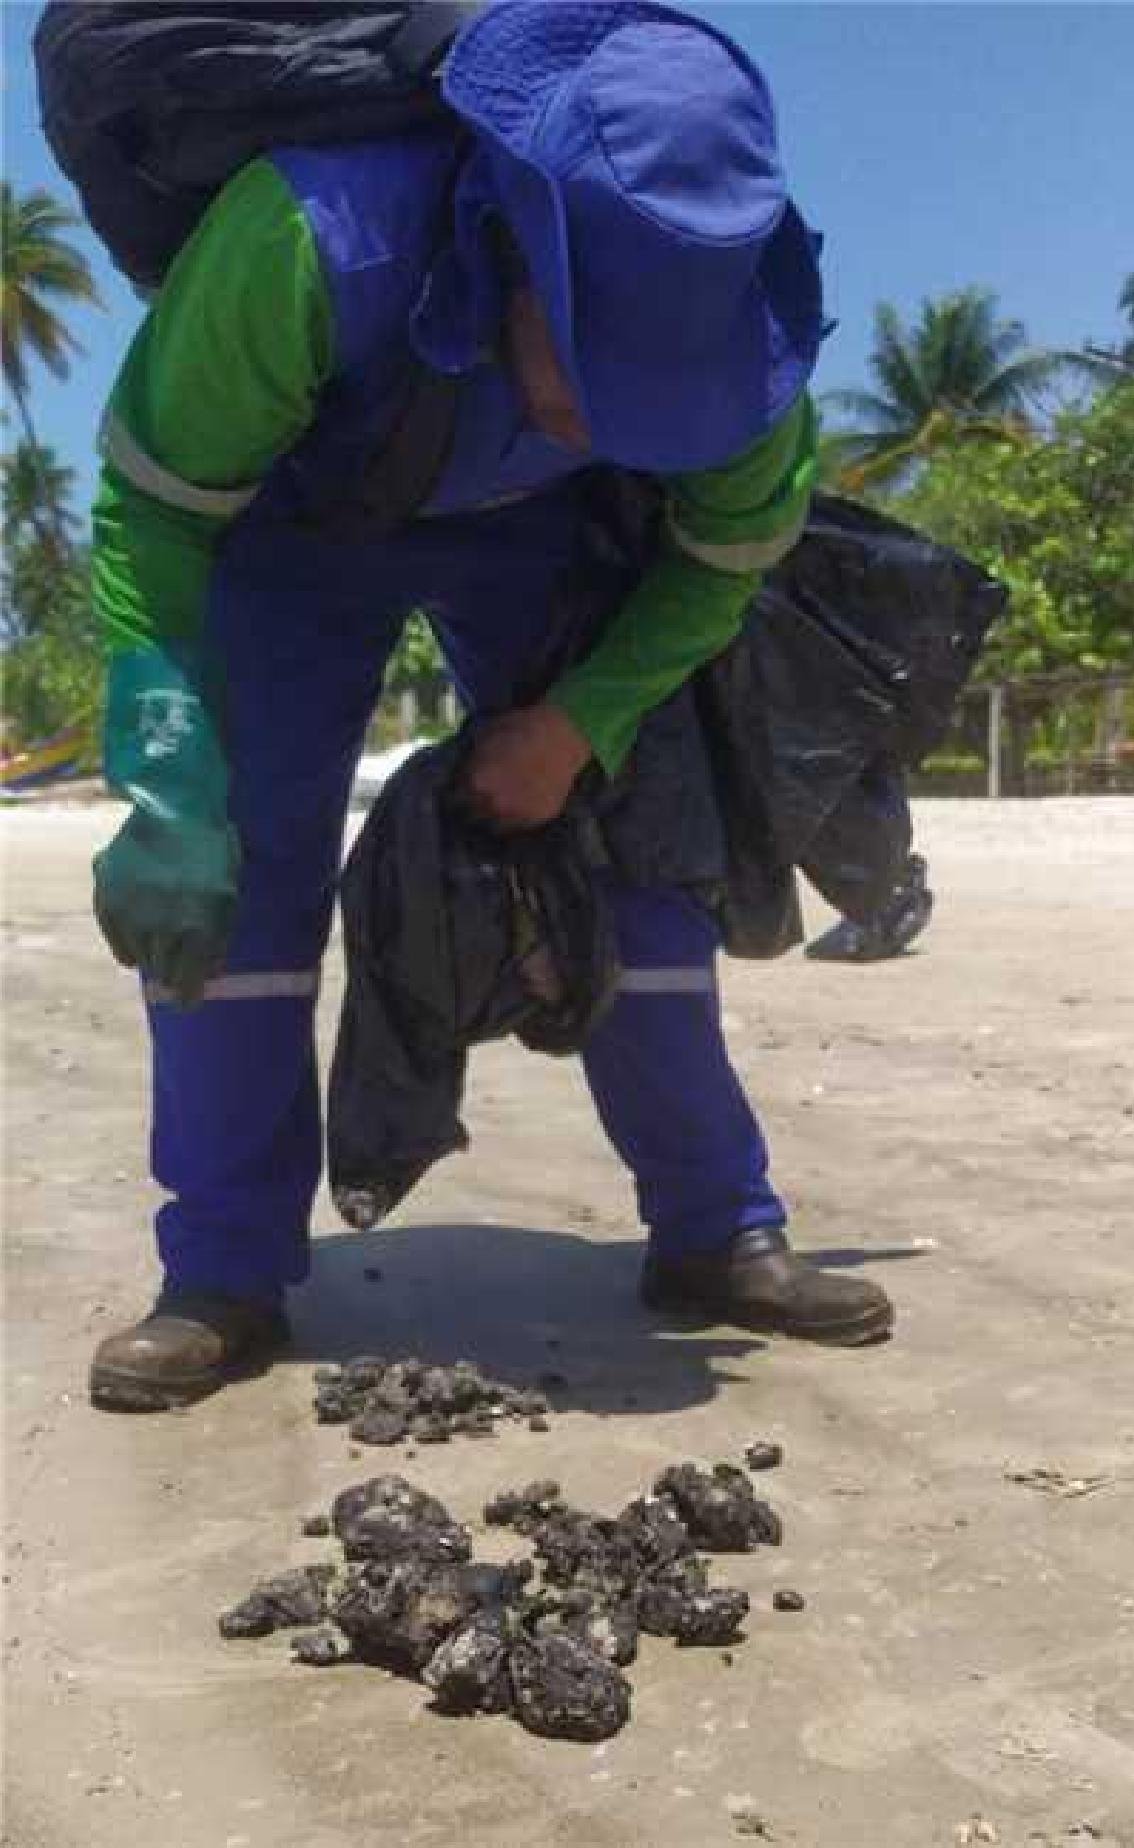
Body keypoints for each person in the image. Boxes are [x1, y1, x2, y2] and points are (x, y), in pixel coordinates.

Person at [87, 0, 894, 1411]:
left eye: (672, 399)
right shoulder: (308, 238)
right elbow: (148, 520)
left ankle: (717, 1230)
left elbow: (724, 557)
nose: (640, 416)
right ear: (511, 247)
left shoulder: (743, 327)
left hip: (537, 533)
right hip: (280, 526)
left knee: (642, 853)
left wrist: (580, 719)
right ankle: (220, 1270)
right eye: (604, 376)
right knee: (241, 878)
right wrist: (167, 779)